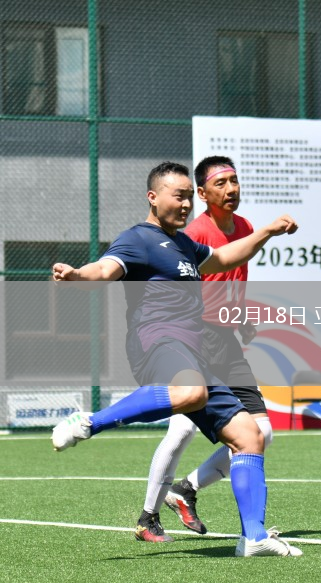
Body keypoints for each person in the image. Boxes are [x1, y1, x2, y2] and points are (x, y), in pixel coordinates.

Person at [51, 161, 302, 558]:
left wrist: (266, 232)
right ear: (153, 197)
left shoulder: (184, 245)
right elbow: (105, 268)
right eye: (178, 196)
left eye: (188, 197)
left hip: (197, 350)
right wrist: (78, 275)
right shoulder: (138, 238)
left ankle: (254, 537)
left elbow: (224, 258)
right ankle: (88, 423)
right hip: (158, 340)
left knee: (250, 436)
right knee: (190, 393)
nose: (185, 204)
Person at [132, 156, 273, 542]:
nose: (231, 189)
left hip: (225, 340)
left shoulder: (244, 227)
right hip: (196, 338)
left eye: (234, 181)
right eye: (221, 183)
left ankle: (186, 489)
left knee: (262, 431)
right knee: (181, 430)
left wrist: (240, 316)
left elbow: (235, 279)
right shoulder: (193, 234)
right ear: (202, 193)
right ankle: (148, 516)